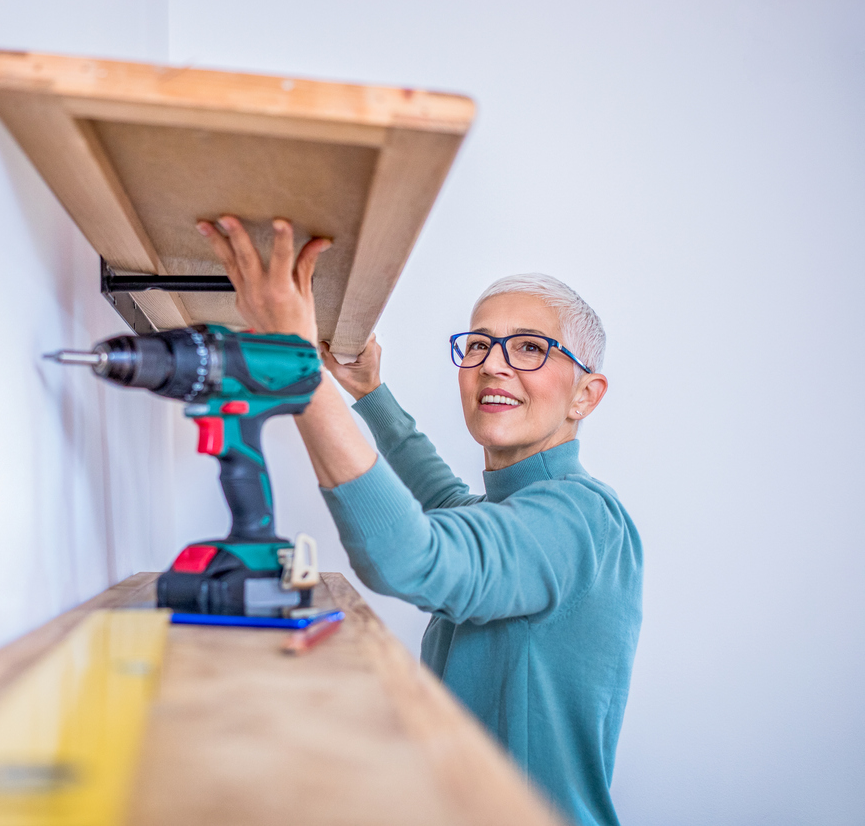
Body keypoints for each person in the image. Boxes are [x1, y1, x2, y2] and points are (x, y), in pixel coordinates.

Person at [196, 215, 643, 826]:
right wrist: (369, 393)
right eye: (480, 343)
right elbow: (445, 503)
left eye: (531, 347)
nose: (493, 364)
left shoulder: (581, 520)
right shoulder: (516, 510)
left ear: (586, 396)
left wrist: (298, 368)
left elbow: (412, 555)